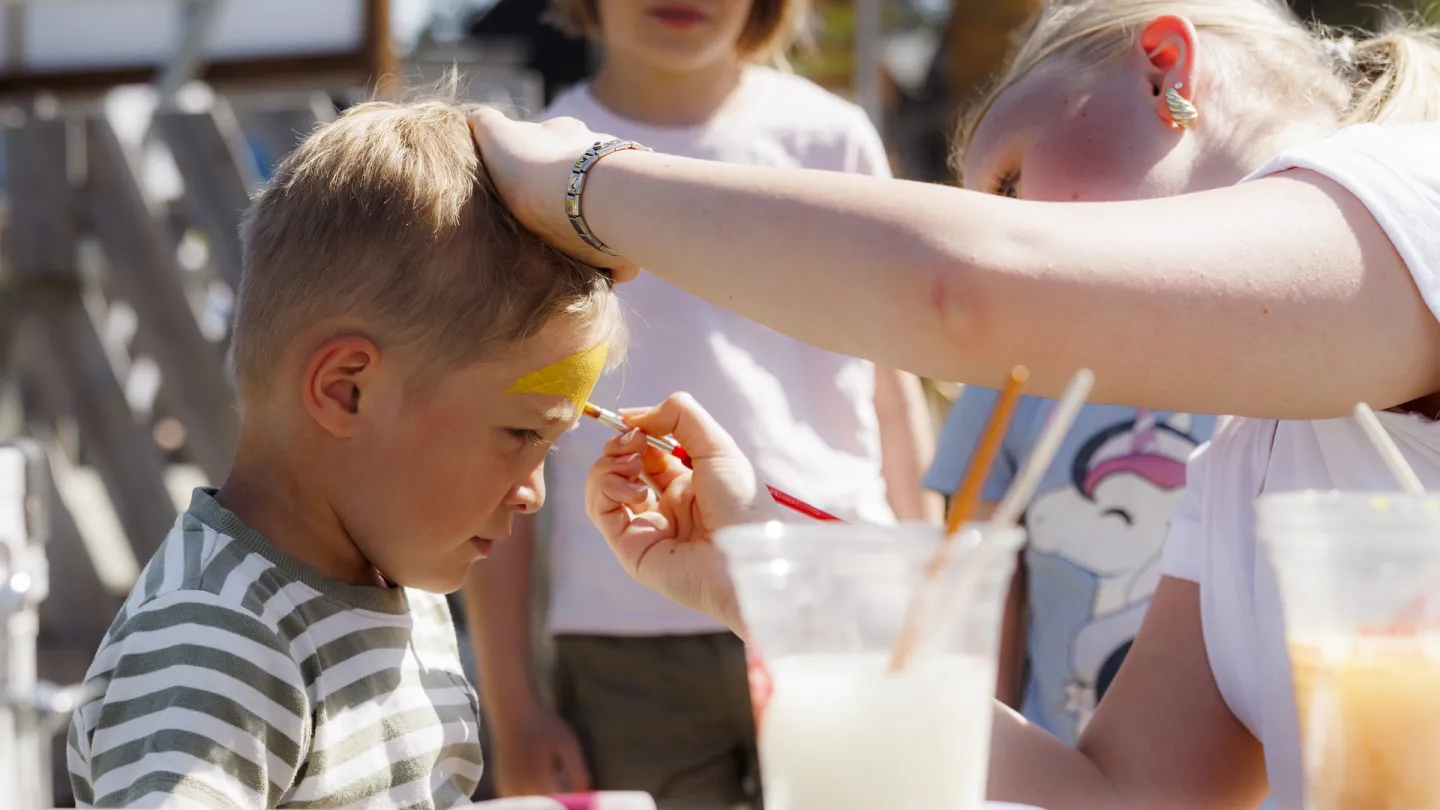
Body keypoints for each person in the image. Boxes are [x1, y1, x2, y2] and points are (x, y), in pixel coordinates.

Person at [467, 0, 1440, 805]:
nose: (1004, 223)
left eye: (1007, 183)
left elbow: (970, 297)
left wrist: (579, 184)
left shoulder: (1414, 186)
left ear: (1164, 65)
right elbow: (1112, 796)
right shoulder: (1239, 463)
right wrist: (766, 581)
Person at [65, 95, 623, 808]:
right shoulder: (214, 644)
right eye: (523, 435)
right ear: (346, 391)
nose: (533, 491)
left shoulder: (399, 582)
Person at [464, 2, 939, 808]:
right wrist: (514, 709)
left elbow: (892, 391)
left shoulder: (833, 140)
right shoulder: (533, 165)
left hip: (836, 602)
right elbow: (506, 445)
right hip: (627, 639)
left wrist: (934, 606)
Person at [927, 394, 1216, 740]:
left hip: (1242, 783)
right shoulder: (1005, 372)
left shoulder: (1271, 397)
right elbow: (984, 594)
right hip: (1049, 765)